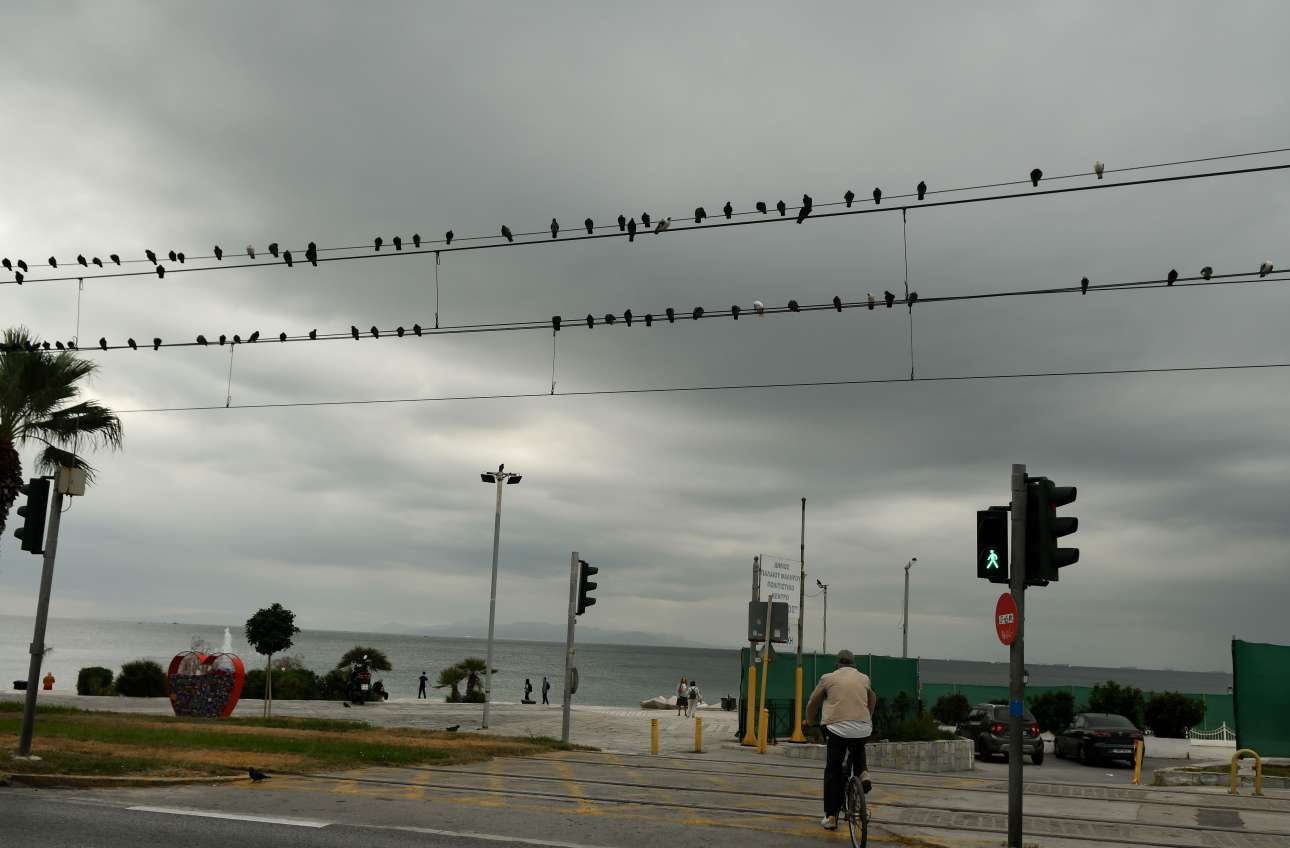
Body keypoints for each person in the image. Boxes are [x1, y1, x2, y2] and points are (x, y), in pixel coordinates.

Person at [805, 649, 878, 832]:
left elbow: (813, 702)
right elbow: (873, 698)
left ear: (837, 664)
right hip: (863, 726)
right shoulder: (864, 678)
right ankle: (863, 773)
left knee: (833, 770)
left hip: (836, 729)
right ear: (854, 664)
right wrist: (867, 717)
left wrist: (809, 720)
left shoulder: (828, 678)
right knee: (858, 745)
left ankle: (831, 816)